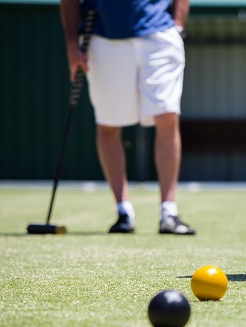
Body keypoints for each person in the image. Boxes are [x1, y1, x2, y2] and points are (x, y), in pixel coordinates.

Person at [60, 0, 195, 235]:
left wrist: (178, 25)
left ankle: (168, 212)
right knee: (109, 124)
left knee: (167, 116)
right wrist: (72, 43)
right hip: (103, 35)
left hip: (160, 32)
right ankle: (123, 211)